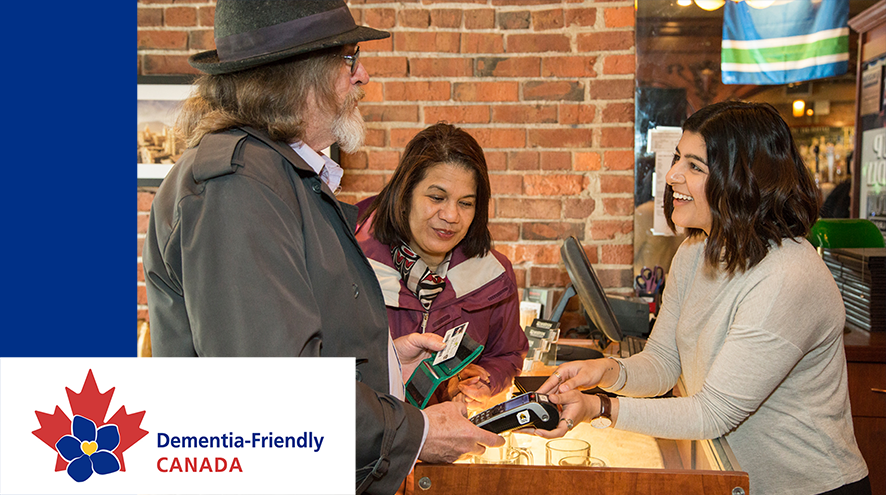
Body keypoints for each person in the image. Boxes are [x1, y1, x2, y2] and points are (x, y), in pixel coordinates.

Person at [141, 2, 503, 494]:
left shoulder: (275, 175)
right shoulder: (238, 186)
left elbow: (289, 337)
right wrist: (415, 433)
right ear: (301, 75)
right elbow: (274, 392)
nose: (364, 75)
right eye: (351, 58)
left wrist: (385, 363)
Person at [535, 101, 870, 495]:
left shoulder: (787, 276)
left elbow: (713, 412)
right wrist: (607, 372)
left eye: (695, 166)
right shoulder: (695, 254)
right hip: (737, 482)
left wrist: (601, 408)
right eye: (678, 159)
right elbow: (664, 362)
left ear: (745, 179)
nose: (673, 175)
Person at [354, 123, 529, 408]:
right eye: (436, 197)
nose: (450, 215)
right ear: (405, 192)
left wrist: (485, 378)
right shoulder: (349, 264)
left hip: (452, 440)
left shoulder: (494, 274)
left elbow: (507, 355)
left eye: (466, 203)